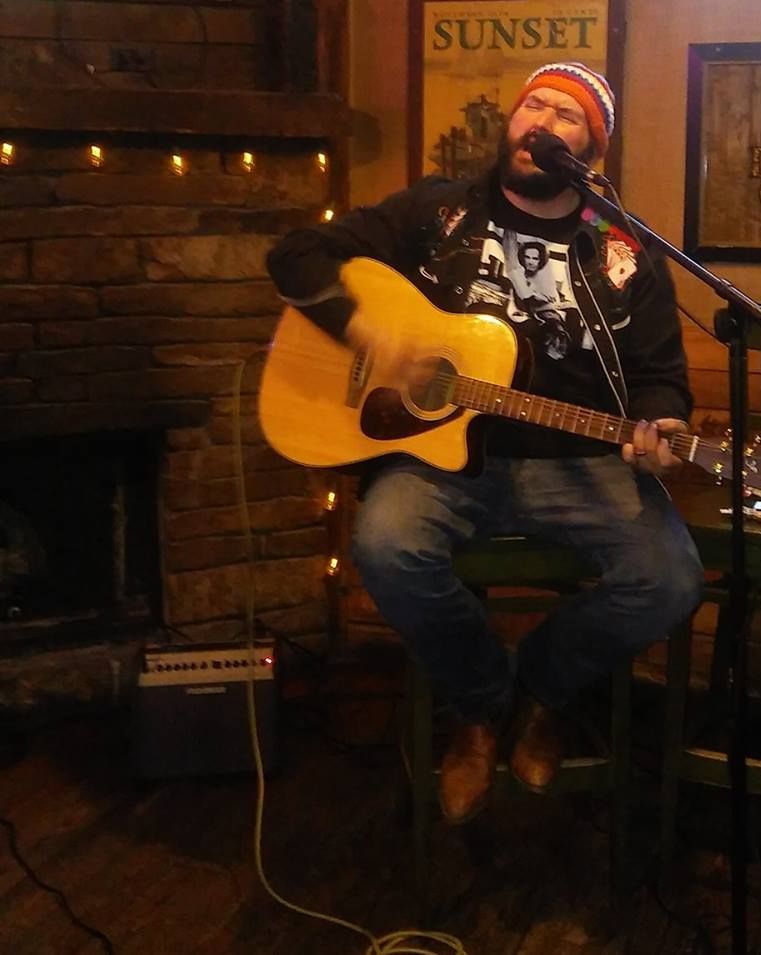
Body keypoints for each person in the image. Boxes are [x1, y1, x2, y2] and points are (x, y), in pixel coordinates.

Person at [266, 61, 704, 824]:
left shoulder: (624, 249)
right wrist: (362, 328)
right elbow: (295, 253)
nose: (542, 121)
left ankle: (541, 687)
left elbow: (661, 376)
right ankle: (481, 705)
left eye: (566, 115)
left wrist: (661, 425)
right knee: (386, 546)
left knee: (670, 579)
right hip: (444, 459)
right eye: (533, 105)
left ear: (590, 150)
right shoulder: (438, 212)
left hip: (579, 459)